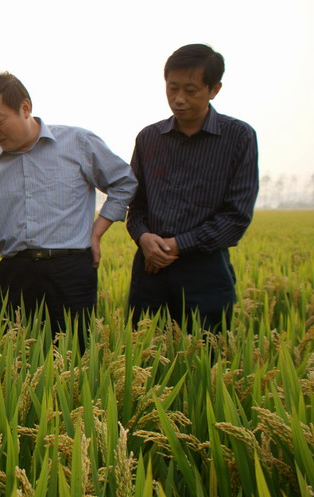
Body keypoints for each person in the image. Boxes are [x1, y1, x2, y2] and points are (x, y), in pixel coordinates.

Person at [0, 73, 137, 351]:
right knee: (14, 357)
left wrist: (97, 232)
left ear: (25, 107)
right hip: (16, 273)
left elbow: (124, 183)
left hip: (71, 270)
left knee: (75, 356)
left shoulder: (78, 142)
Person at [127, 44, 259, 332]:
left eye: (190, 90)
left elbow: (236, 216)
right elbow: (135, 205)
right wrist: (143, 237)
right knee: (141, 350)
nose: (179, 99)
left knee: (205, 353)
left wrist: (177, 244)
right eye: (172, 88)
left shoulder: (238, 137)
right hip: (150, 269)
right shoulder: (149, 138)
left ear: (214, 90)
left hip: (206, 271)